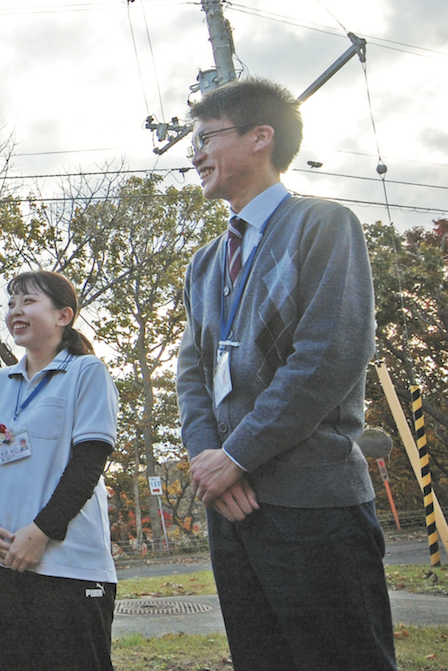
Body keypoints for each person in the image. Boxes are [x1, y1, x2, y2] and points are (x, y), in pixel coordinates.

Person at [176, 78, 396, 670]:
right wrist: (208, 461)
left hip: (312, 502)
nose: (193, 154)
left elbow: (329, 354)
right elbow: (192, 371)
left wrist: (237, 455)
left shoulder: (323, 225)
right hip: (230, 506)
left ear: (260, 138)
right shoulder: (204, 265)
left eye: (205, 138)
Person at [0, 270, 119, 671]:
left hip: (70, 563)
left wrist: (42, 531)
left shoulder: (87, 373)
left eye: (28, 301)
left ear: (64, 315)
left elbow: (89, 463)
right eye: (11, 302)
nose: (16, 310)